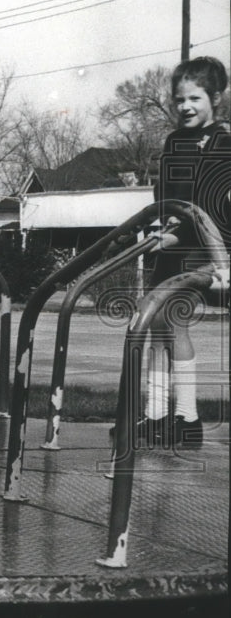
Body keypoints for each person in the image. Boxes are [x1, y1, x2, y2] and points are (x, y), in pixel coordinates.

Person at [132, 56, 230, 448]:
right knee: (156, 326)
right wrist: (160, 226)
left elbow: (210, 200)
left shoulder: (223, 139)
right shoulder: (174, 141)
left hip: (205, 244)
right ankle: (156, 415)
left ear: (215, 99)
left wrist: (181, 233)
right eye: (179, 100)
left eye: (195, 98)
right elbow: (167, 195)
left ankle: (186, 418)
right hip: (173, 240)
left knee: (174, 324)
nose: (186, 107)